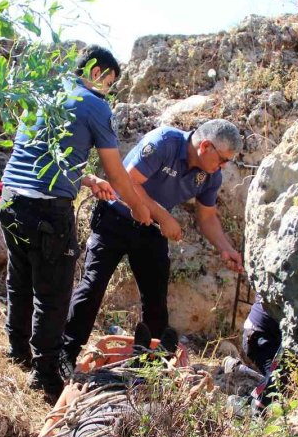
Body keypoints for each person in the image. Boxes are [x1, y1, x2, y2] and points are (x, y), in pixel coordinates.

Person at [0, 45, 153, 399]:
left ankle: (17, 353)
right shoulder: (95, 104)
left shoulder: (45, 93)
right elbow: (116, 170)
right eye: (110, 82)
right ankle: (46, 377)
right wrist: (138, 208)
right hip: (47, 210)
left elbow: (38, 155)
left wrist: (86, 180)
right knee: (53, 295)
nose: (108, 90)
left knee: (20, 280)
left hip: (11, 200)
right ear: (98, 73)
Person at [62, 119, 245, 365]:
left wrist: (226, 249)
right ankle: (65, 353)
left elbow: (207, 217)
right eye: (222, 159)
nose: (223, 167)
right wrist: (165, 217)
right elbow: (127, 181)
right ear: (205, 147)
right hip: (115, 217)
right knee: (93, 286)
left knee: (156, 299)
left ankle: (152, 366)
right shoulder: (165, 142)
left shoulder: (210, 176)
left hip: (150, 230)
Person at [222, 294, 285, 413]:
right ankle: (248, 411)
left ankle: (239, 370)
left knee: (277, 380)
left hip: (259, 333)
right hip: (260, 336)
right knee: (278, 381)